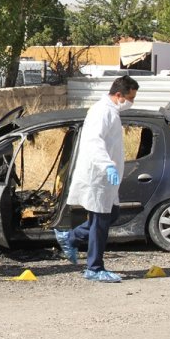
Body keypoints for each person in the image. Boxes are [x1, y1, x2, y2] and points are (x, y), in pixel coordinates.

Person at [55, 75, 139, 283]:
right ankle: (94, 267)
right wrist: (108, 166)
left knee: (110, 215)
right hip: (98, 176)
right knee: (101, 222)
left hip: (106, 178)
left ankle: (71, 237)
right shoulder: (102, 111)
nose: (132, 102)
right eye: (130, 97)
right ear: (118, 95)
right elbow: (94, 142)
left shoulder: (111, 111)